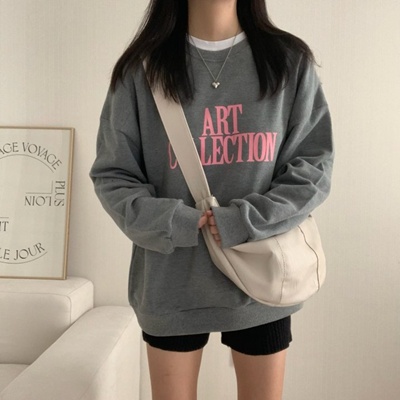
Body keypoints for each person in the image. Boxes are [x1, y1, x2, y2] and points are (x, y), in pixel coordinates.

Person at [90, 0, 334, 399]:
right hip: (170, 285)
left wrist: (244, 220)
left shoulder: (287, 61)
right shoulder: (141, 69)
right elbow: (114, 176)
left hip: (263, 279)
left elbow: (313, 168)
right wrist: (174, 221)